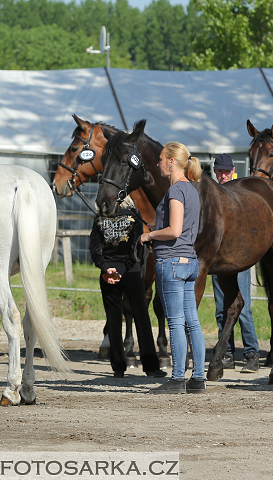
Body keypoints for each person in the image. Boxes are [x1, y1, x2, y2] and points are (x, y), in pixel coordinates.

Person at [141, 142, 206, 394]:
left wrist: (149, 236)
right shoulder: (192, 190)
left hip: (172, 261)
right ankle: (197, 377)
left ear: (171, 161)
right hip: (189, 261)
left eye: (160, 159)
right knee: (192, 322)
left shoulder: (176, 191)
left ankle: (178, 377)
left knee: (176, 322)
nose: (157, 164)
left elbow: (175, 230)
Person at [89, 196, 167, 379]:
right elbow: (136, 248)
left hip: (107, 274)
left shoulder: (99, 218)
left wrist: (106, 268)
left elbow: (94, 249)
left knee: (114, 320)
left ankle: (118, 367)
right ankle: (150, 366)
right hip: (131, 272)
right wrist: (122, 270)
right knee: (142, 318)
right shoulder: (134, 216)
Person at [210, 154, 260, 373]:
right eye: (219, 171)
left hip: (237, 256)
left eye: (226, 171)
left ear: (233, 171)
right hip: (217, 257)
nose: (223, 175)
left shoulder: (238, 194)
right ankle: (227, 352)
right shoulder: (212, 194)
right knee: (221, 309)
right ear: (215, 171)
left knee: (244, 308)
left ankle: (252, 353)